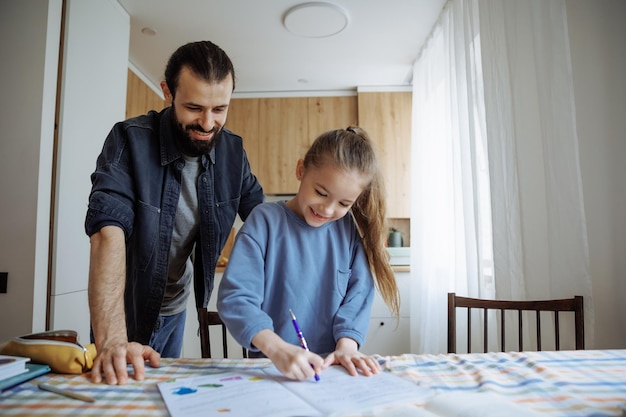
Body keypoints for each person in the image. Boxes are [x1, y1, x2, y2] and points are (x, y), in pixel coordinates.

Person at [84, 41, 264, 385]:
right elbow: (107, 232)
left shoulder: (233, 152)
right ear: (168, 91)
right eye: (194, 107)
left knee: (160, 396)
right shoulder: (129, 139)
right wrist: (113, 341)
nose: (208, 123)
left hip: (176, 306)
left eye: (219, 109)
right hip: (125, 310)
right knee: (119, 393)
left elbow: (263, 222)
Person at [217, 126, 400, 381]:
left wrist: (347, 346)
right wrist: (278, 349)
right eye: (321, 193)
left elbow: (358, 295)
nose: (327, 209)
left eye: (344, 204)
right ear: (300, 170)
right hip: (274, 369)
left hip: (333, 370)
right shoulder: (264, 222)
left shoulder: (347, 229)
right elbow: (236, 298)